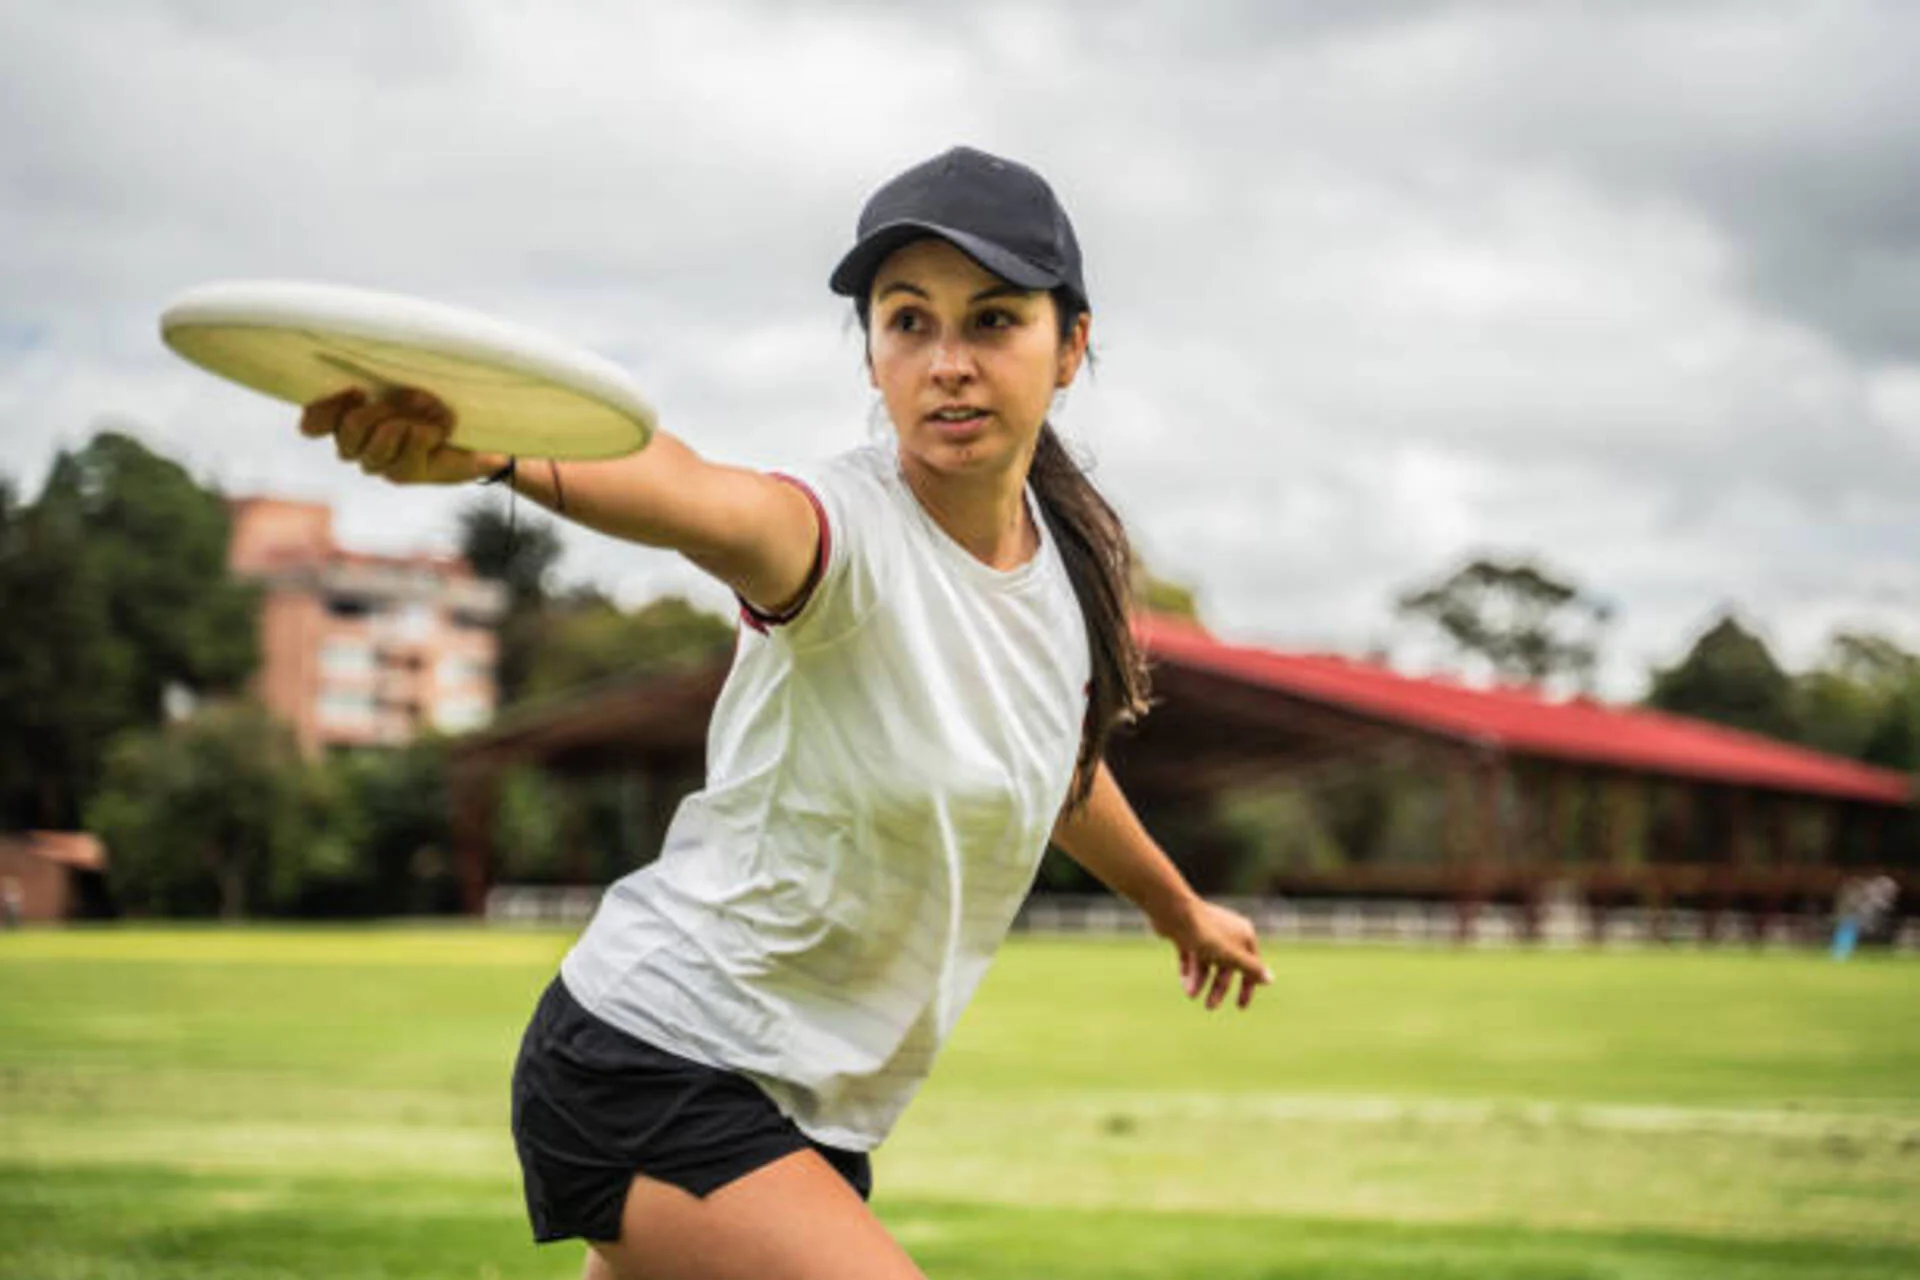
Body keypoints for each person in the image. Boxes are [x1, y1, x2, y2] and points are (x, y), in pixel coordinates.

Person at [301, 145, 1271, 1280]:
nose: (947, 363)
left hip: (805, 1102)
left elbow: (1053, 765)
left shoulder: (1057, 575)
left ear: (1072, 345)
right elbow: (691, 492)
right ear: (872, 352)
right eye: (909, 322)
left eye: (993, 320)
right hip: (660, 1055)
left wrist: (1177, 907)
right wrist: (499, 448)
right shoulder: (837, 531)